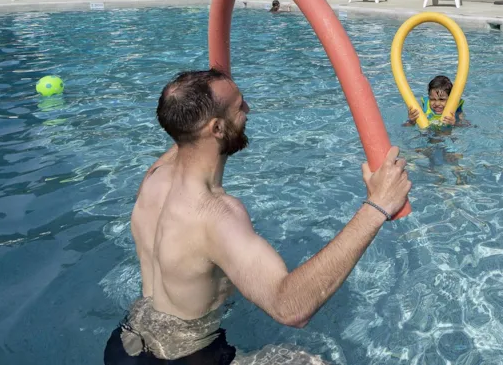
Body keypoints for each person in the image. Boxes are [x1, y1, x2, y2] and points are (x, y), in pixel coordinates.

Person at [104, 69, 411, 364]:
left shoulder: (154, 179)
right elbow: (290, 308)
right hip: (188, 359)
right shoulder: (216, 216)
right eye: (240, 106)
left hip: (127, 342)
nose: (248, 109)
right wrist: (378, 205)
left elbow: (188, 126)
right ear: (216, 128)